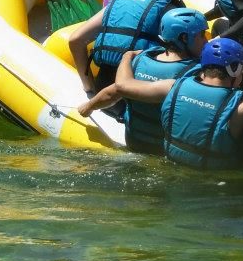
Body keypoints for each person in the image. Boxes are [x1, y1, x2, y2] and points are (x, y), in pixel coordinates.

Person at [78, 8, 208, 154]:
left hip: (135, 142)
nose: (206, 41)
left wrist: (89, 106)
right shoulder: (195, 73)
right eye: (202, 35)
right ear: (184, 38)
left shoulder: (141, 59)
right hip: (164, 151)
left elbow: (113, 93)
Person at [68, 0, 185, 99]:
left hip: (102, 86)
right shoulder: (169, 6)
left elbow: (75, 40)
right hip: (137, 90)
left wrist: (90, 88)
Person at [161, 38, 243, 170]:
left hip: (171, 166)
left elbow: (124, 86)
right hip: (213, 179)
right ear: (234, 70)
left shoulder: (174, 86)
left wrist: (128, 56)